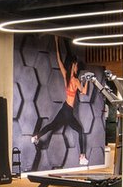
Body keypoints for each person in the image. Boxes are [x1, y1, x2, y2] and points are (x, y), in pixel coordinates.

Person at [29, 35, 91, 168]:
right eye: (76, 66)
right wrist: (87, 80)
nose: (77, 68)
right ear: (74, 65)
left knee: (52, 125)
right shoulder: (75, 80)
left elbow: (59, 61)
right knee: (80, 131)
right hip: (68, 111)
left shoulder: (66, 76)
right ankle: (82, 157)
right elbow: (84, 92)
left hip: (64, 108)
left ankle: (36, 136)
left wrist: (56, 42)